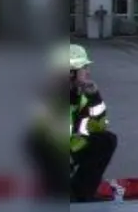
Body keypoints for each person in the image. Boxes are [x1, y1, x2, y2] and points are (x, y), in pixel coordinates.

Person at [29, 44, 118, 203]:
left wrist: (94, 97)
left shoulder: (83, 95)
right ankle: (55, 195)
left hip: (70, 149)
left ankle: (81, 193)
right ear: (70, 73)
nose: (88, 72)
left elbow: (99, 127)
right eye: (84, 68)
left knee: (107, 140)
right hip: (52, 153)